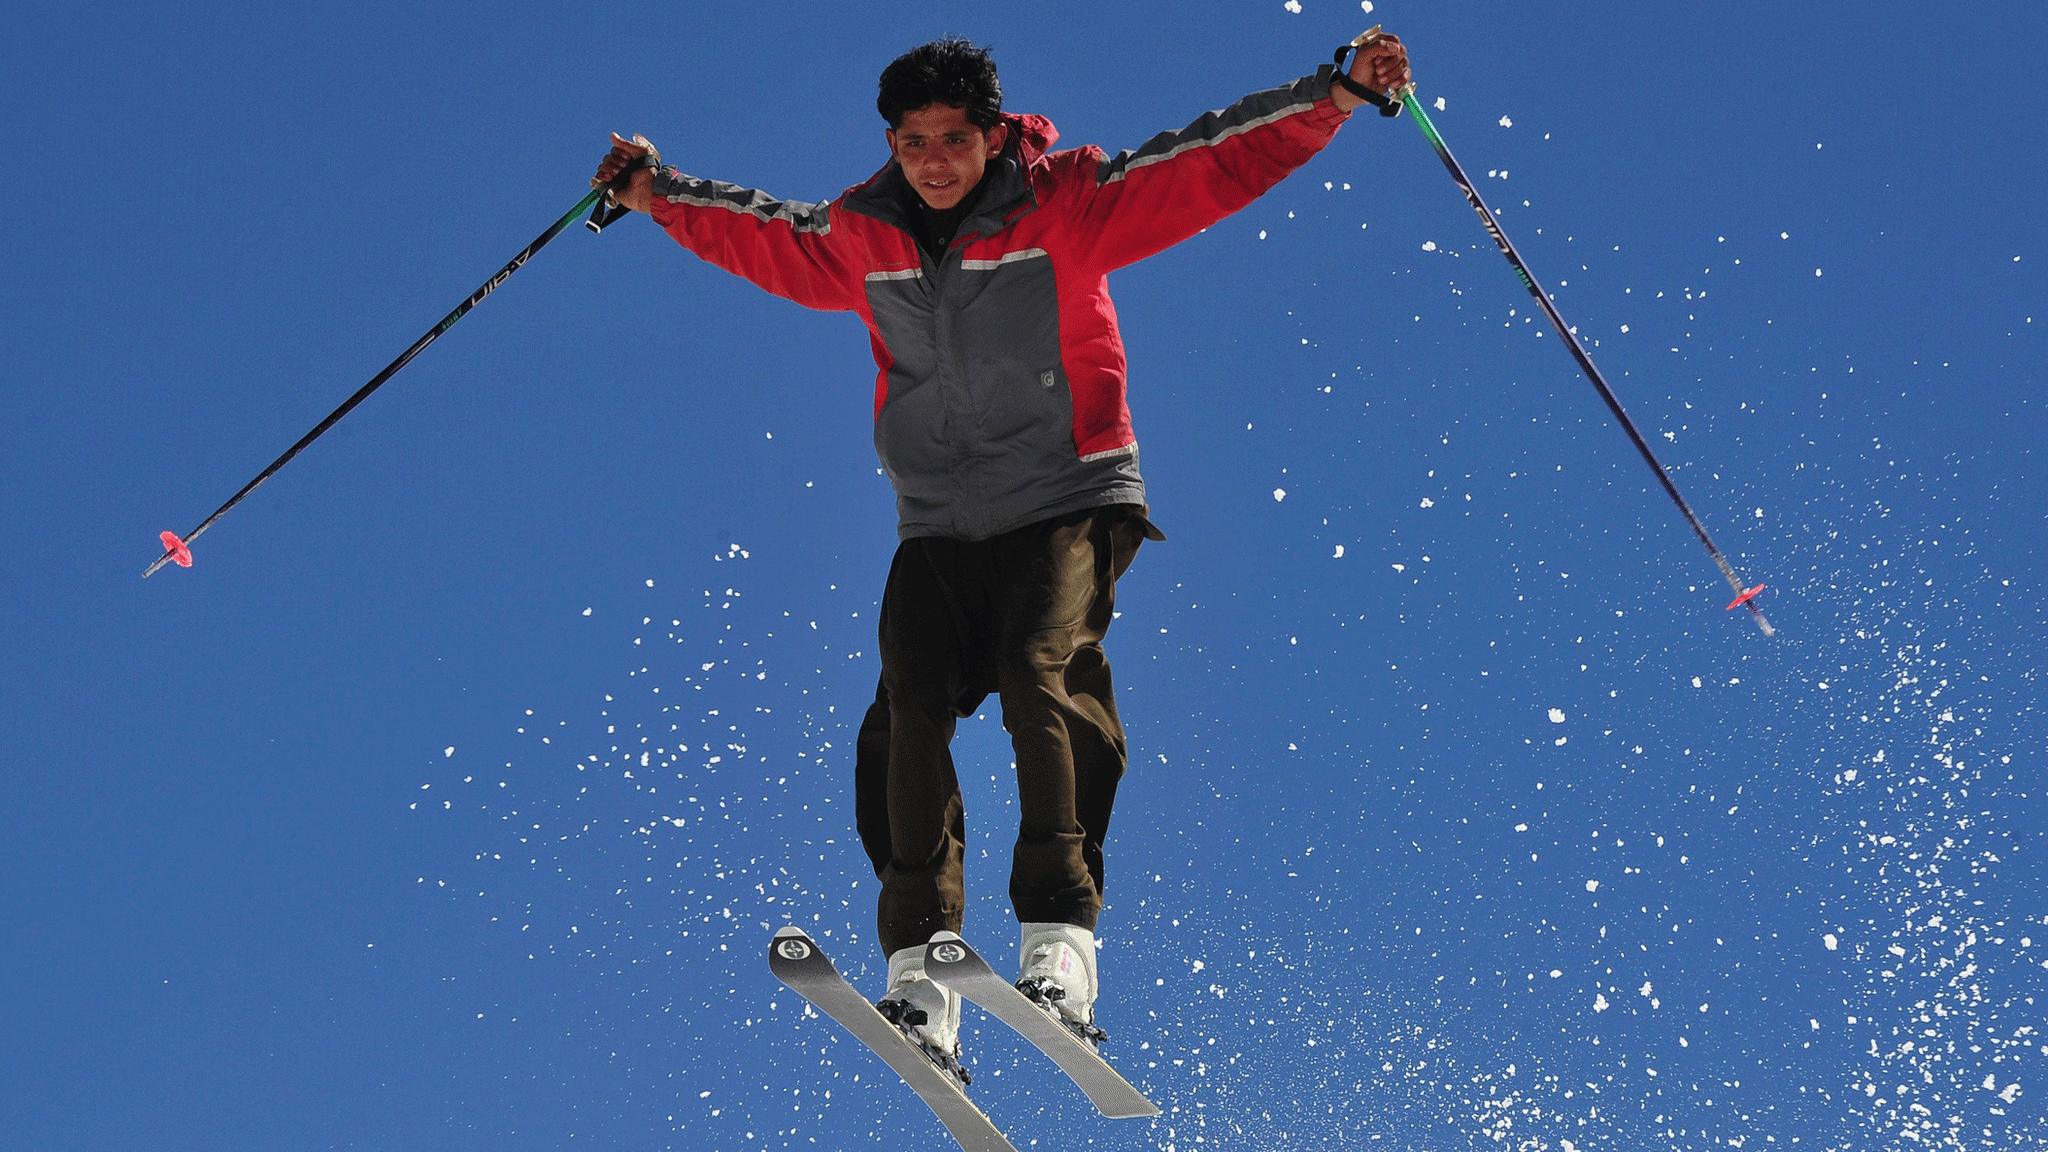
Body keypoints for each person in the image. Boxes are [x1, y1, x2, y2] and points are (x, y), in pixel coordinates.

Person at [593, 32, 1412, 1069]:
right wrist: (653, 192)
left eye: (953, 140)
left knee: (1039, 672)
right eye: (913, 142)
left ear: (991, 135)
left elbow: (1203, 162)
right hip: (938, 519)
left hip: (1067, 493)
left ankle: (1059, 943)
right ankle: (918, 974)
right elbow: (761, 233)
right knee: (906, 711)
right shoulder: (866, 232)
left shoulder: (1062, 202)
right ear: (892, 143)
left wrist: (1330, 94)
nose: (934, 161)